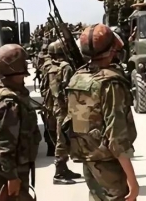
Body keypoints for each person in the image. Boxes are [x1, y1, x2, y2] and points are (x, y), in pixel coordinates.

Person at [65, 24, 139, 201]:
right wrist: (132, 180)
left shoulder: (77, 77)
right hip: (109, 163)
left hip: (88, 158)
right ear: (112, 49)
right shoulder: (110, 83)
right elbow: (117, 137)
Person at [0, 44, 41, 201]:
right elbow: (4, 143)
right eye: (23, 62)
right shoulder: (9, 102)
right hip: (13, 169)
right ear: (16, 67)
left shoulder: (3, 90)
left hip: (13, 167)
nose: (26, 64)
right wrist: (12, 177)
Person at [46, 40, 82, 184]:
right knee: (62, 139)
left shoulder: (51, 68)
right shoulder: (66, 67)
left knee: (62, 138)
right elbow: (70, 89)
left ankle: (64, 169)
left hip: (56, 107)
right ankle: (59, 173)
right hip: (65, 108)